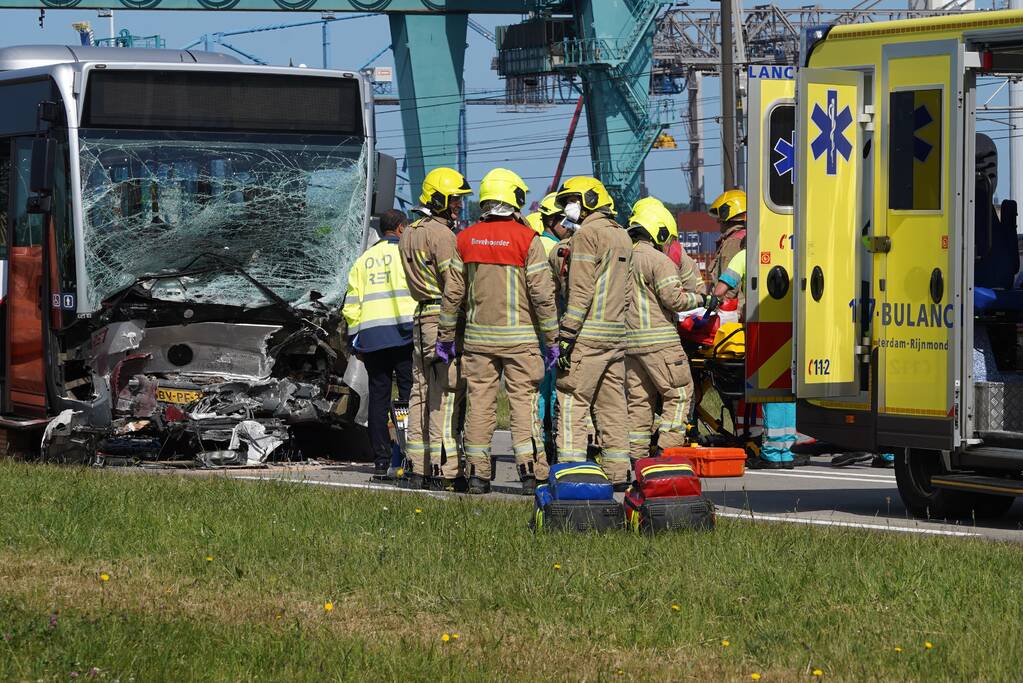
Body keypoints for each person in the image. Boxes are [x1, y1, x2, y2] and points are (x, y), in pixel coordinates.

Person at [438, 168, 559, 495]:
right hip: (520, 340)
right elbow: (543, 296)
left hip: (478, 341)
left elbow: (452, 295)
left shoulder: (465, 239)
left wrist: (445, 338)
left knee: (479, 404)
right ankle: (529, 475)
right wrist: (552, 341)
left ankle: (478, 475)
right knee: (524, 405)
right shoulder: (527, 240)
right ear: (514, 198)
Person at [554, 176, 634, 488]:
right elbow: (626, 293)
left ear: (589, 199)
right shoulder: (622, 235)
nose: (568, 207)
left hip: (587, 336)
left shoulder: (586, 235)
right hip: (615, 335)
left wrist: (566, 337)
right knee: (613, 404)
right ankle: (618, 474)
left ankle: (572, 474)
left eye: (572, 199)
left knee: (573, 400)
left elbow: (580, 291)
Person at [398, 168, 472, 491]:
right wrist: (451, 328)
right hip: (441, 318)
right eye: (454, 200)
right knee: (447, 393)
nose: (457, 205)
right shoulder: (442, 235)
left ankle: (418, 466)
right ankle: (448, 468)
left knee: (419, 392)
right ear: (439, 198)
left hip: (419, 317)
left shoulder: (409, 233)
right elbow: (454, 285)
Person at [625, 202, 713, 462]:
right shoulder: (659, 260)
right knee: (680, 393)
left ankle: (636, 459)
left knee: (639, 403)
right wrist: (702, 300)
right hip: (661, 341)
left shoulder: (623, 257)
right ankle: (667, 452)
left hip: (630, 344)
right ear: (660, 231)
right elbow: (674, 300)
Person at [343, 209, 416, 478]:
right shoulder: (407, 255)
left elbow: (351, 304)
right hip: (404, 333)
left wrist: (355, 339)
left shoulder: (363, 260)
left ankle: (381, 461)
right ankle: (409, 455)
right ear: (399, 228)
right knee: (409, 395)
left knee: (378, 397)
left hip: (372, 337)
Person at [708, 190, 748, 308]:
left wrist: (717, 305)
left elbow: (728, 288)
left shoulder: (733, 242)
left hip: (730, 310)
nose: (717, 221)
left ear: (729, 216)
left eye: (720, 216)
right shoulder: (742, 238)